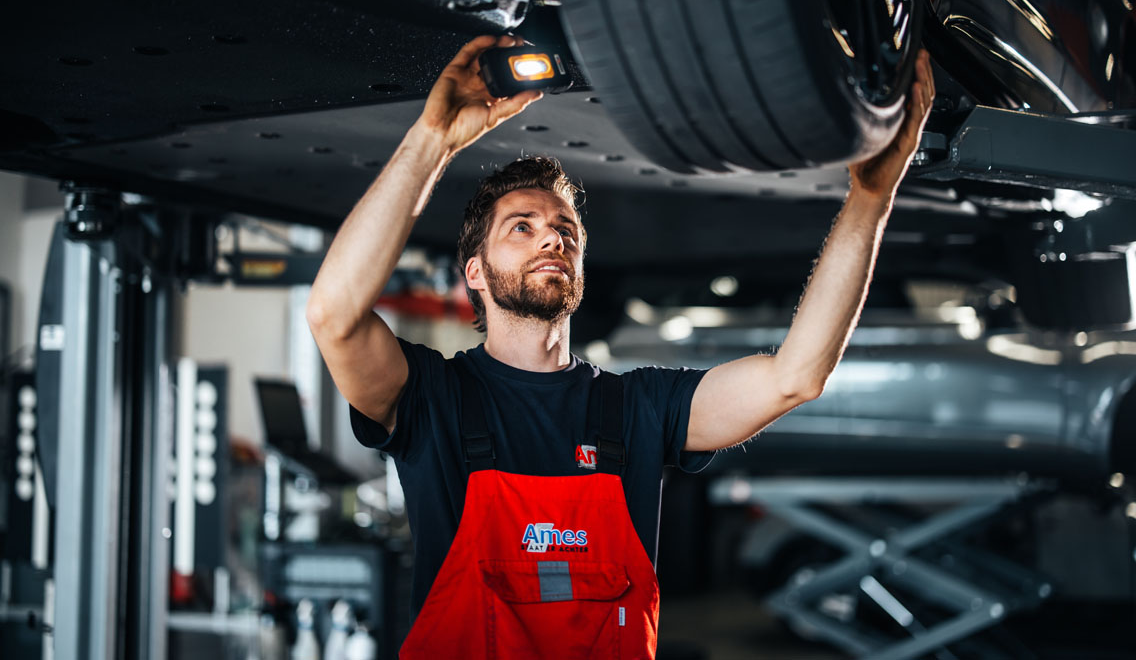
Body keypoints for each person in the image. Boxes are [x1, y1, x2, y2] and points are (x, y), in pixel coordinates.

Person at [307, 35, 936, 658]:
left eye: (563, 230)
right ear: (473, 271)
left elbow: (795, 376)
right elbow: (333, 316)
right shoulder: (432, 398)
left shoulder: (639, 408)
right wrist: (433, 140)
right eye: (520, 229)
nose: (549, 240)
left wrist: (871, 198)